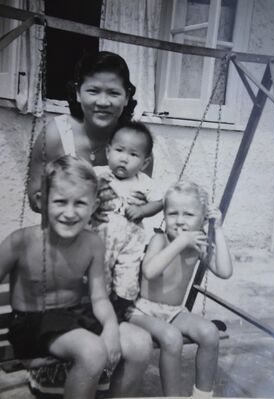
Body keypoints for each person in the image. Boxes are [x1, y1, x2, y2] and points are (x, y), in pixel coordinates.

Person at [27, 51, 153, 397]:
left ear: (127, 96)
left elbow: (139, 202)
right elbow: (36, 197)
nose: (103, 101)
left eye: (114, 93)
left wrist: (136, 206)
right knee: (84, 352)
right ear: (77, 91)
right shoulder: (57, 133)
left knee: (139, 346)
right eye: (93, 90)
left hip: (110, 279)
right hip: (66, 271)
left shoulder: (133, 138)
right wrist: (81, 205)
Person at [1, 156, 120, 399]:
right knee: (94, 351)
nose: (69, 212)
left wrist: (111, 328)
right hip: (32, 326)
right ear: (42, 201)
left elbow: (99, 298)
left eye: (80, 203)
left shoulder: (92, 244)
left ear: (94, 206)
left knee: (137, 343)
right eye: (60, 201)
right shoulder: (20, 242)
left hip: (72, 319)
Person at [129, 181, 233, 398]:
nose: (179, 221)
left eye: (188, 215)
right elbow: (150, 271)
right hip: (141, 312)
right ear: (164, 216)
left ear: (203, 219)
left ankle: (202, 395)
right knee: (171, 337)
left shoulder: (198, 244)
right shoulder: (160, 239)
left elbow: (224, 271)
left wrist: (218, 230)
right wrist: (181, 242)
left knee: (210, 333)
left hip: (175, 311)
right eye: (172, 213)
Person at [93, 120, 163, 316]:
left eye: (133, 154)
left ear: (145, 162)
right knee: (99, 275)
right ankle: (98, 311)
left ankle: (121, 310)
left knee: (128, 275)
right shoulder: (99, 174)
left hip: (131, 242)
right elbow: (80, 190)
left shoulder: (144, 182)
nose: (124, 159)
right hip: (101, 239)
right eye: (119, 150)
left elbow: (159, 202)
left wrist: (142, 211)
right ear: (108, 152)